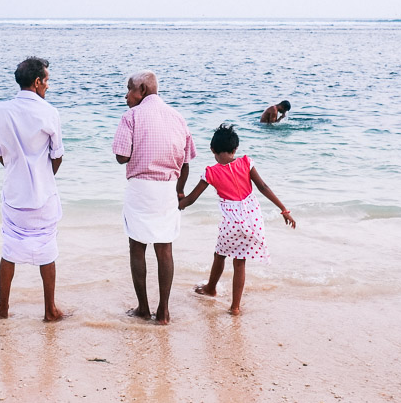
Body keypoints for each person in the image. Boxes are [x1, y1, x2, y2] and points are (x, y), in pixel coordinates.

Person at [178, 123, 296, 315]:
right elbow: (263, 187)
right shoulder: (246, 162)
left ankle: (210, 288)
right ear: (235, 149)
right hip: (253, 219)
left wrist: (177, 204)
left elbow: (191, 199)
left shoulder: (210, 172)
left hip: (231, 222)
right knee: (240, 262)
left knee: (219, 254)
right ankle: (235, 307)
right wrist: (283, 209)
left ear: (212, 149)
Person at [112, 71, 196, 324]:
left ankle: (143, 308)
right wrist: (180, 191)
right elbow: (187, 163)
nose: (126, 96)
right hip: (167, 189)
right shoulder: (178, 117)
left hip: (140, 188)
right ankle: (164, 312)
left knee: (137, 248)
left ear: (143, 90)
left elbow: (121, 157)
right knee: (165, 249)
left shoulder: (131, 116)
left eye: (129, 90)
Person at [0, 57, 65, 322]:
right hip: (43, 195)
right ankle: (50, 310)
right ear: (37, 82)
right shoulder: (49, 112)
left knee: (9, 247)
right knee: (47, 247)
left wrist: (16, 168)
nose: (48, 87)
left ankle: (3, 308)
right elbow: (57, 156)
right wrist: (42, 175)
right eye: (47, 81)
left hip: (14, 194)